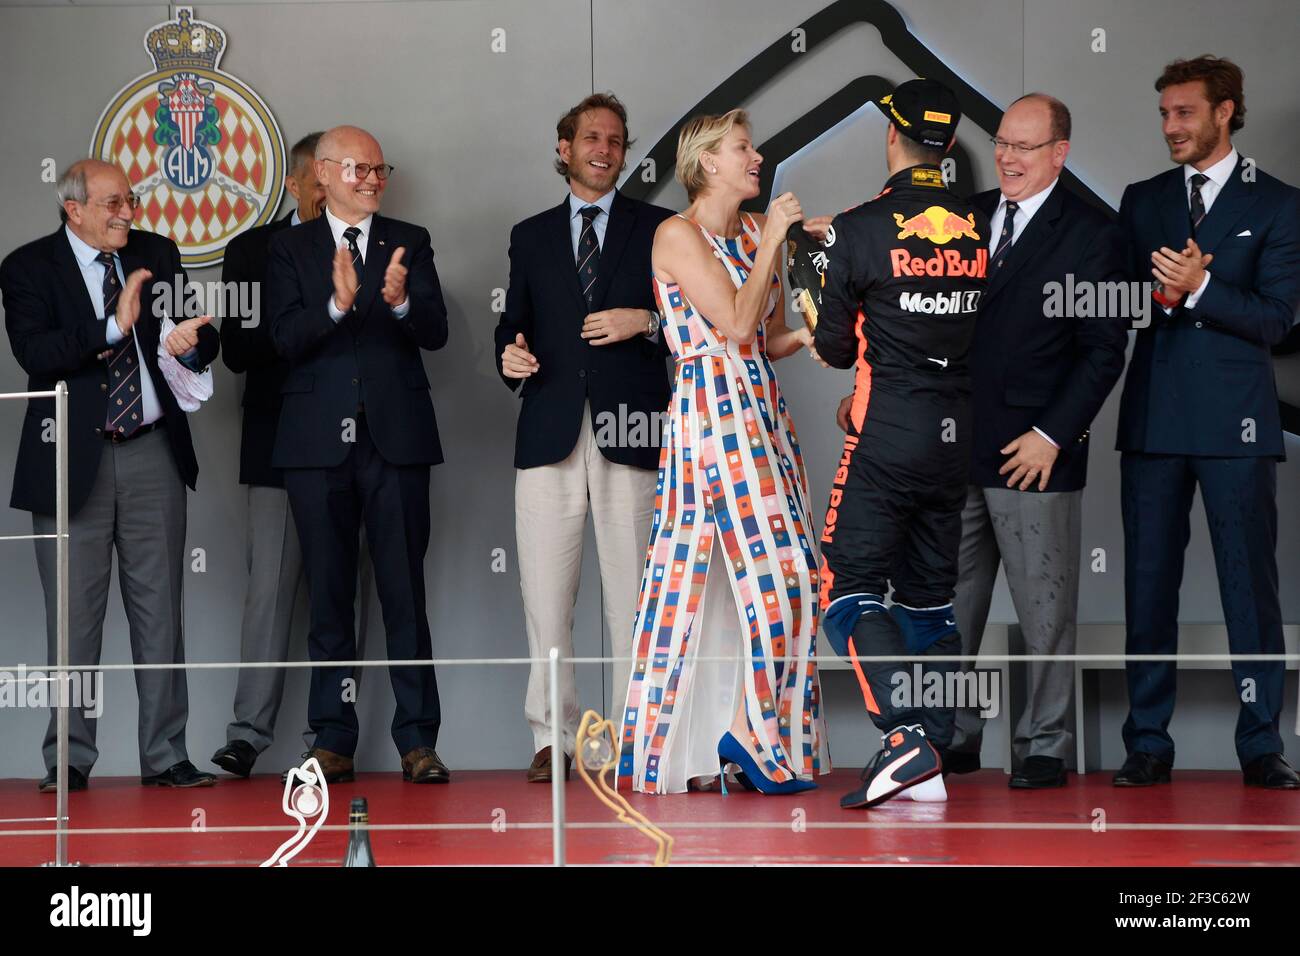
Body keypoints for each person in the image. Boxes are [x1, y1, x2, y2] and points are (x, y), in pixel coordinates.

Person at [617, 108, 828, 795]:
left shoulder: (745, 231)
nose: (756, 157)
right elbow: (733, 322)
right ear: (708, 162)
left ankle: (736, 738)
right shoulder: (676, 234)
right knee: (769, 577)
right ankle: (747, 741)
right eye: (743, 148)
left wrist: (806, 337)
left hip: (760, 409)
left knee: (772, 581)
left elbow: (762, 336)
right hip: (712, 416)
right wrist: (774, 238)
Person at [1, 158, 219, 790]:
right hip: (70, 456)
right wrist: (112, 327)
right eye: (115, 203)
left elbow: (202, 337)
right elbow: (35, 352)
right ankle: (67, 761)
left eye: (131, 200)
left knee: (161, 613)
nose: (130, 212)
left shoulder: (157, 252)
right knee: (72, 619)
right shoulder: (27, 267)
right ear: (74, 209)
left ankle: (167, 755)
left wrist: (191, 344)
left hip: (153, 451)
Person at [1114, 56, 1300, 790]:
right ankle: (1148, 743)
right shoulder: (1143, 199)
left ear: (1226, 112)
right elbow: (1116, 303)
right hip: (1154, 422)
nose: (1170, 127)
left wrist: (1200, 289)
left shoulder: (1281, 205)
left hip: (1237, 430)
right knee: (1148, 587)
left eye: (1184, 113)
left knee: (1248, 590)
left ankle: (1260, 745)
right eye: (1164, 114)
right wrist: (1154, 300)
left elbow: (1278, 322)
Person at [946, 94, 1128, 789]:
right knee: (953, 606)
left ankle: (1046, 745)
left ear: (1060, 152)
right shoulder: (964, 219)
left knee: (1046, 611)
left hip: (1035, 455)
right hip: (955, 444)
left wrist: (1053, 435)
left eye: (1025, 146)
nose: (1008, 157)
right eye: (1001, 142)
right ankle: (956, 737)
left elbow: (1103, 352)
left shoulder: (1095, 234)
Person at [815, 79, 988, 808]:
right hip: (956, 443)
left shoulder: (856, 229)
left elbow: (828, 347)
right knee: (929, 605)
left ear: (892, 137)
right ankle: (936, 752)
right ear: (946, 146)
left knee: (845, 590)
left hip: (885, 436)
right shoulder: (983, 227)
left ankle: (905, 739)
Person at [495, 93, 673, 783]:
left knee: (635, 596)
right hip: (548, 431)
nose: (605, 147)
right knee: (545, 598)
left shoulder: (660, 228)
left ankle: (636, 734)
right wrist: (508, 356)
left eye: (617, 139)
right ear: (564, 147)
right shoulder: (529, 234)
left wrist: (647, 322)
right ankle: (554, 739)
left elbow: (689, 320)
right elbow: (513, 323)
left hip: (635, 429)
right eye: (591, 136)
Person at [266, 125, 450, 785]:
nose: (373, 179)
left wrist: (400, 305)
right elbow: (282, 338)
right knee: (329, 596)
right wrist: (338, 305)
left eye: (379, 169)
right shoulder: (287, 247)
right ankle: (333, 740)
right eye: (358, 169)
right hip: (316, 446)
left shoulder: (412, 240)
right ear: (322, 174)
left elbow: (437, 331)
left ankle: (418, 742)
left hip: (395, 440)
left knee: (405, 593)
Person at [212, 132, 376, 779]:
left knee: (341, 598)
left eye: (332, 179)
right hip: (278, 445)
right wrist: (314, 317)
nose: (322, 190)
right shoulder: (251, 249)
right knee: (269, 593)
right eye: (314, 179)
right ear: (295, 182)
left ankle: (330, 740)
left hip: (352, 446)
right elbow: (239, 349)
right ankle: (247, 734)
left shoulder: (370, 244)